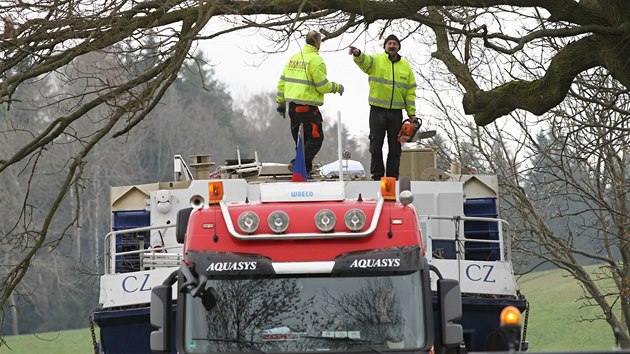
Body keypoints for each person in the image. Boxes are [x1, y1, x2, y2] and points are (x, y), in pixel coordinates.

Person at [348, 35, 417, 180]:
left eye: (395, 44)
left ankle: (392, 177)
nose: (392, 46)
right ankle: (377, 176)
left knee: (395, 147)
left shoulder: (406, 66)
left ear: (399, 47)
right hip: (377, 110)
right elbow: (364, 61)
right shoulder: (376, 60)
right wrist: (358, 54)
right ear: (385, 46)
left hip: (396, 113)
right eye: (389, 43)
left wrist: (411, 113)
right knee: (376, 144)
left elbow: (410, 92)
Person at [276, 30, 344, 173]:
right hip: (308, 108)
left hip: (293, 108)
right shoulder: (316, 60)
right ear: (318, 42)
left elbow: (282, 82)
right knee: (315, 139)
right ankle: (297, 163)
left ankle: (303, 171)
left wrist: (281, 103)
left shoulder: (293, 58)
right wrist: (337, 87)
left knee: (301, 142)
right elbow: (322, 85)